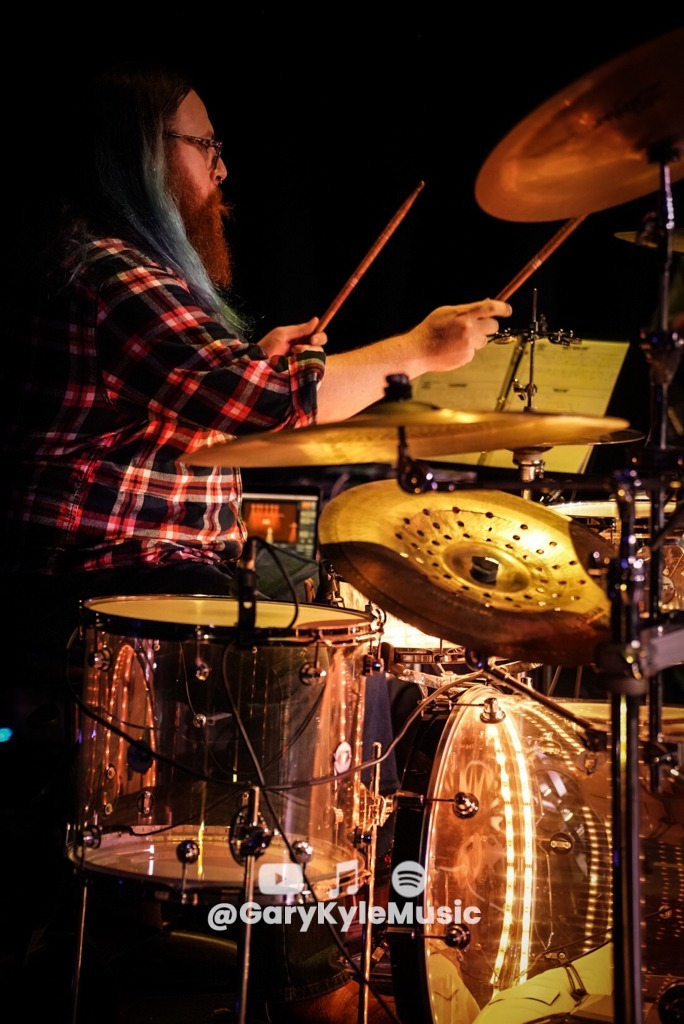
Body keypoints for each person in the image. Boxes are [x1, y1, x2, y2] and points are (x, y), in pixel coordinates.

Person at [0, 60, 512, 1024]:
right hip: (92, 583)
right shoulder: (110, 268)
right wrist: (417, 351)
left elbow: (196, 402)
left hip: (128, 573)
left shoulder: (102, 260)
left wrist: (256, 363)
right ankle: (311, 980)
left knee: (309, 605)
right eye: (206, 146)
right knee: (303, 652)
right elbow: (259, 409)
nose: (223, 170)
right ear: (142, 155)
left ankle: (149, 924)